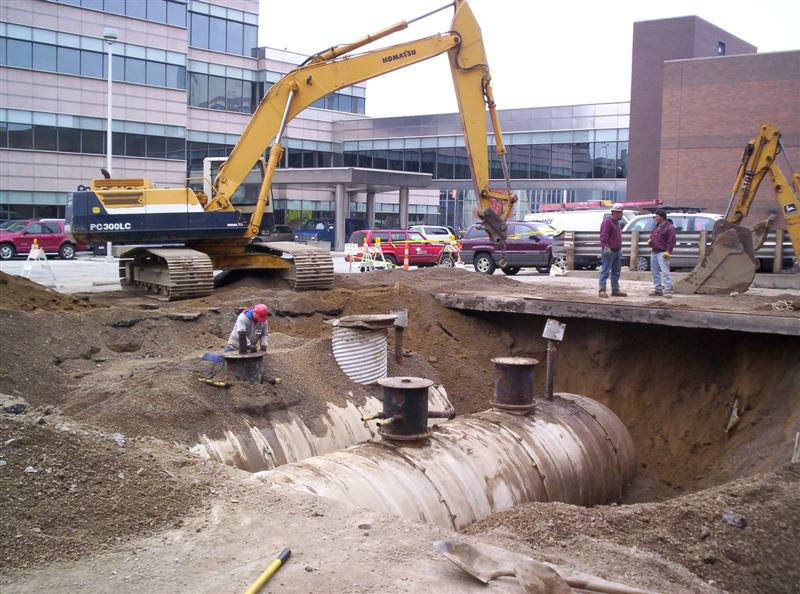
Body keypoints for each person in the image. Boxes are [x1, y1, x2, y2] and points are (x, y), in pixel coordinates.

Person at [598, 203, 627, 298]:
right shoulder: (607, 222)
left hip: (617, 250)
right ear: (614, 212)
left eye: (621, 213)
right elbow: (603, 236)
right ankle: (602, 290)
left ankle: (615, 290)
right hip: (609, 251)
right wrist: (606, 247)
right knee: (605, 270)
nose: (621, 215)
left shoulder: (616, 223)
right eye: (620, 213)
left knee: (616, 271)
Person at [648, 209, 676, 298]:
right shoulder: (657, 227)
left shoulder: (670, 228)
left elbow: (671, 240)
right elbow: (653, 236)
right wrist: (651, 241)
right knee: (654, 272)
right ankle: (658, 289)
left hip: (663, 252)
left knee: (665, 271)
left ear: (661, 217)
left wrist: (668, 251)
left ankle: (668, 290)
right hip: (654, 251)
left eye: (656, 216)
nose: (655, 218)